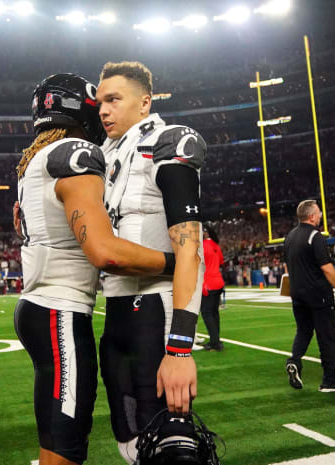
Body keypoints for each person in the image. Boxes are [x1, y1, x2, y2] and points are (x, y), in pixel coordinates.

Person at [12, 73, 176, 465]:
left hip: (38, 305)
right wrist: (177, 263)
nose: (102, 113)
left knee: (56, 438)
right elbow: (104, 252)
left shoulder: (35, 159)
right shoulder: (75, 153)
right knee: (66, 448)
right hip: (60, 311)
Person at [96, 61, 205, 463]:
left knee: (169, 446)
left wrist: (180, 349)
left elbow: (189, 249)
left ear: (145, 103)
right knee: (129, 441)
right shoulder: (105, 154)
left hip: (155, 311)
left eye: (113, 99)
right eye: (100, 102)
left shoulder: (167, 142)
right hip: (116, 312)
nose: (103, 110)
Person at [284, 200, 335, 393]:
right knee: (327, 336)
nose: (321, 215)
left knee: (303, 331)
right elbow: (327, 268)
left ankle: (294, 360)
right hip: (318, 294)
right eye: (319, 212)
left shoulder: (290, 236)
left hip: (298, 294)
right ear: (312, 216)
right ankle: (329, 380)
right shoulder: (315, 236)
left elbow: (287, 266)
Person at [200, 224, 225, 351]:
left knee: (207, 313)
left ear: (205, 232)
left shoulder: (202, 246)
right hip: (218, 281)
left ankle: (215, 342)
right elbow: (221, 262)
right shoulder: (216, 245)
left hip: (208, 283)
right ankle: (216, 340)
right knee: (214, 312)